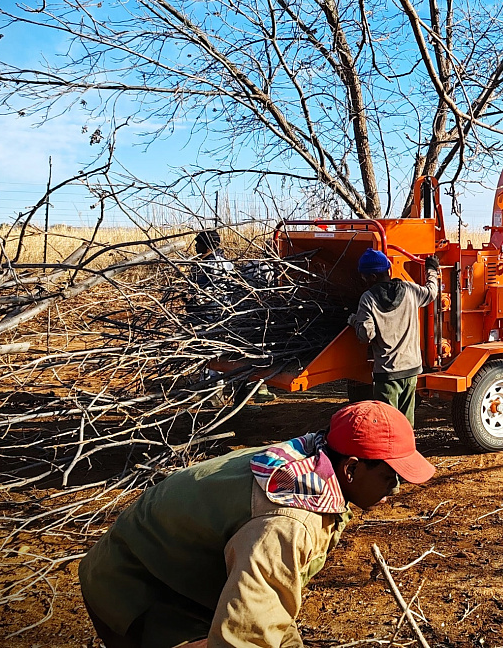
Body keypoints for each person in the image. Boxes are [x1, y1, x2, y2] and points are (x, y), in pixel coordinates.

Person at [79, 400, 434, 648]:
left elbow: (270, 602)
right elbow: (244, 636)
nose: (396, 487)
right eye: (389, 476)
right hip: (138, 584)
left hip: (182, 573)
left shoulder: (312, 462)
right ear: (351, 468)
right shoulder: (289, 521)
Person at [348, 249, 439, 426]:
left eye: (364, 277)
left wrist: (354, 321)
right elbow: (431, 292)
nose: (363, 280)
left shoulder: (368, 299)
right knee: (405, 425)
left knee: (387, 426)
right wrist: (432, 270)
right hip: (411, 369)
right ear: (388, 270)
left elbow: (366, 335)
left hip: (387, 374)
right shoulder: (410, 290)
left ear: (372, 277)